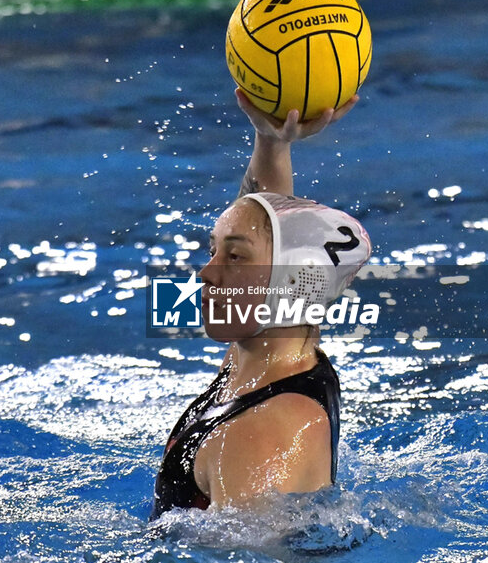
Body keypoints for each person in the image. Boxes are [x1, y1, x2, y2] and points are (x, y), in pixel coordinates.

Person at [149, 89, 371, 520]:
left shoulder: (259, 436)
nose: (206, 274)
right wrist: (271, 139)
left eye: (234, 258)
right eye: (214, 251)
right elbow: (269, 222)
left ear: (290, 284)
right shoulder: (269, 357)